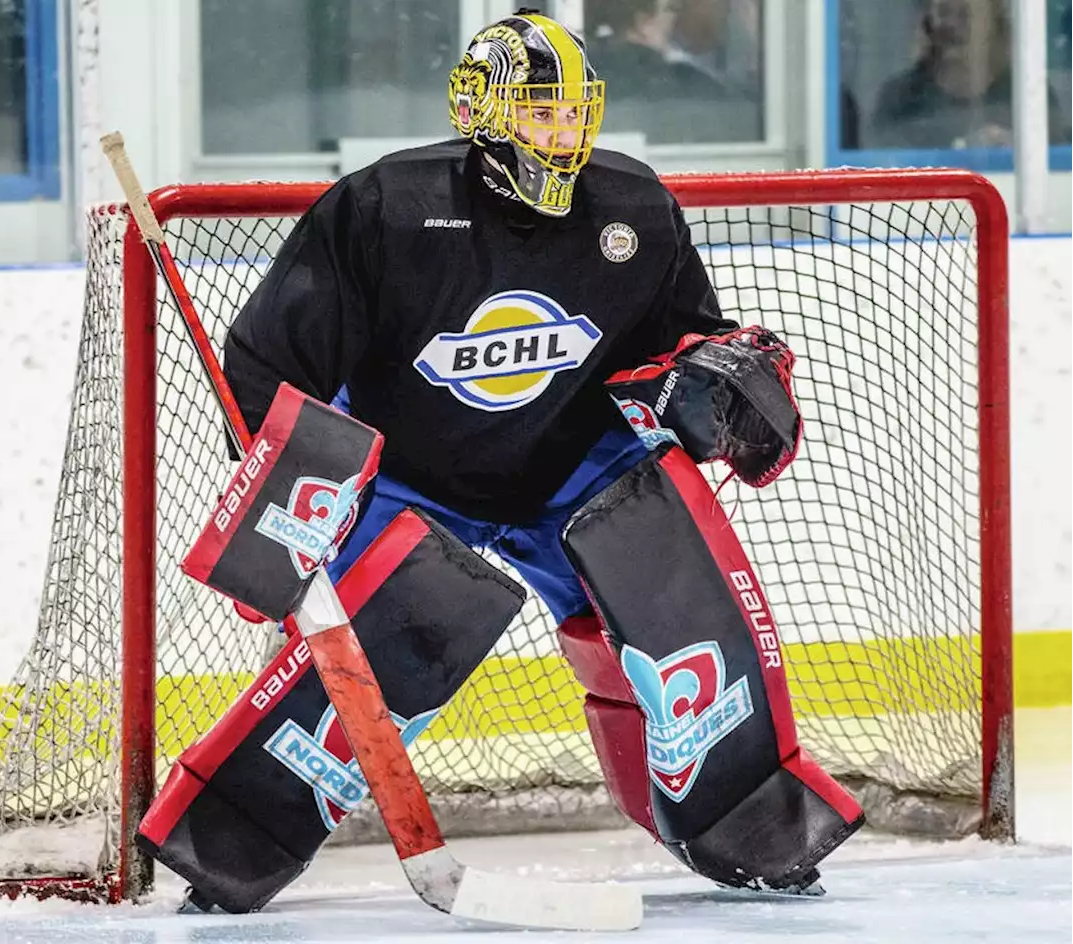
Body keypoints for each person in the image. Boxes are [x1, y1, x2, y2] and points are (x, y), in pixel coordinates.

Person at [152, 8, 862, 916]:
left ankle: (750, 826)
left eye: (572, 112)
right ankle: (229, 842)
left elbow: (685, 337)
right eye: (538, 111)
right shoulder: (387, 209)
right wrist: (291, 499)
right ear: (483, 113)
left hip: (567, 468)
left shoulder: (633, 208)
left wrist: (713, 378)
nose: (561, 132)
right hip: (406, 476)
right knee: (388, 641)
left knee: (679, 599)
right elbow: (265, 364)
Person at [871, 0, 1069, 148]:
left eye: (965, 15)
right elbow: (884, 168)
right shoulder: (899, 97)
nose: (951, 26)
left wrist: (1011, 152)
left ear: (993, 27)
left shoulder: (1029, 95)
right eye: (943, 13)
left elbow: (1056, 173)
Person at [586, 0, 760, 142]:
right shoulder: (688, 83)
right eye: (671, 9)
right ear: (643, 22)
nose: (676, 20)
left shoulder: (581, 77)